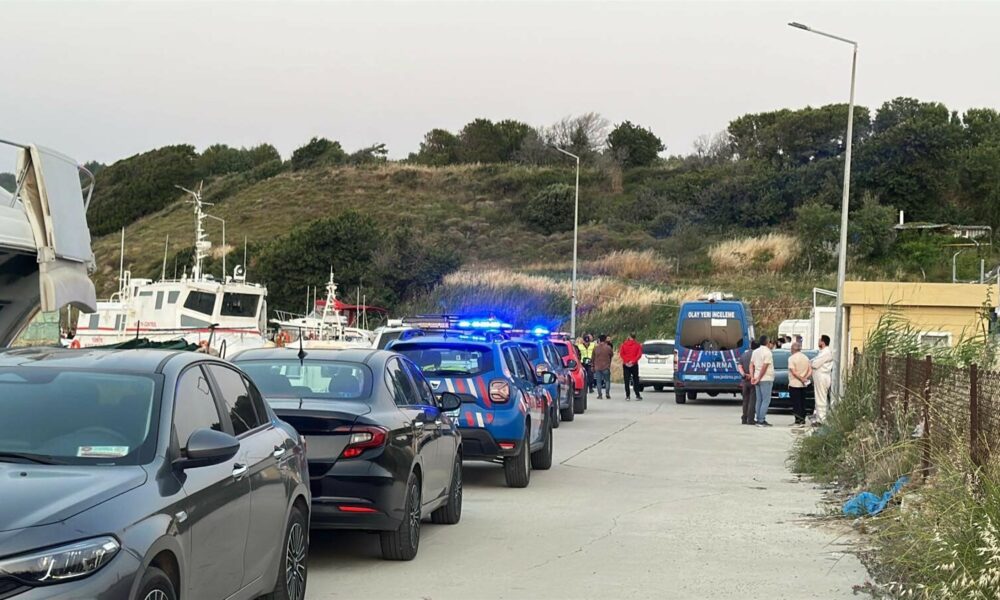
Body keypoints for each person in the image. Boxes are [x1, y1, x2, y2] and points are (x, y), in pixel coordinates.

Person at [750, 335, 774, 426]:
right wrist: (759, 378)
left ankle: (758, 419)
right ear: (767, 342)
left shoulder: (755, 351)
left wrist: (752, 377)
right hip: (766, 378)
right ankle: (761, 420)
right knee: (766, 400)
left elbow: (751, 365)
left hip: (756, 377)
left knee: (759, 400)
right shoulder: (768, 352)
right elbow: (765, 366)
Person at [811, 334, 834, 426]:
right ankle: (819, 418)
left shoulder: (826, 352)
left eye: (819, 340)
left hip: (822, 377)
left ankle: (821, 420)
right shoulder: (823, 352)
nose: (818, 342)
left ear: (823, 342)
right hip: (820, 377)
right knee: (819, 398)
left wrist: (811, 363)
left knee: (821, 398)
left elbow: (815, 364)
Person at [788, 341, 812, 425]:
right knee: (802, 402)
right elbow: (810, 370)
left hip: (794, 384)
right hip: (803, 384)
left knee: (796, 403)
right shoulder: (806, 358)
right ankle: (803, 419)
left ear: (793, 349)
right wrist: (805, 378)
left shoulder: (791, 358)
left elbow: (793, 372)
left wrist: (801, 378)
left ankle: (798, 420)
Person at [737, 340, 759, 425]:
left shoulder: (744, 354)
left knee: (745, 400)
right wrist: (751, 375)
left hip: (745, 381)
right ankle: (750, 419)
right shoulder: (757, 355)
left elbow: (739, 366)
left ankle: (744, 418)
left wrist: (744, 375)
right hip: (753, 380)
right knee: (752, 400)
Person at [619, 333, 643, 401]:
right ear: (635, 337)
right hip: (634, 364)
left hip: (626, 364)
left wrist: (626, 361)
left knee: (627, 380)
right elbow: (639, 354)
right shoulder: (637, 345)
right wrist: (633, 361)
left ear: (629, 337)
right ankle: (637, 395)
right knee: (635, 380)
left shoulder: (623, 345)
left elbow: (621, 354)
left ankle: (627, 396)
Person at [592, 334, 614, 399]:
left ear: (599, 340)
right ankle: (607, 393)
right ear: (605, 340)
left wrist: (592, 366)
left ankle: (600, 395)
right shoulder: (608, 348)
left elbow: (593, 358)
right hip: (606, 366)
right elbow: (611, 354)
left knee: (598, 382)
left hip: (597, 367)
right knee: (607, 381)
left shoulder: (595, 348)